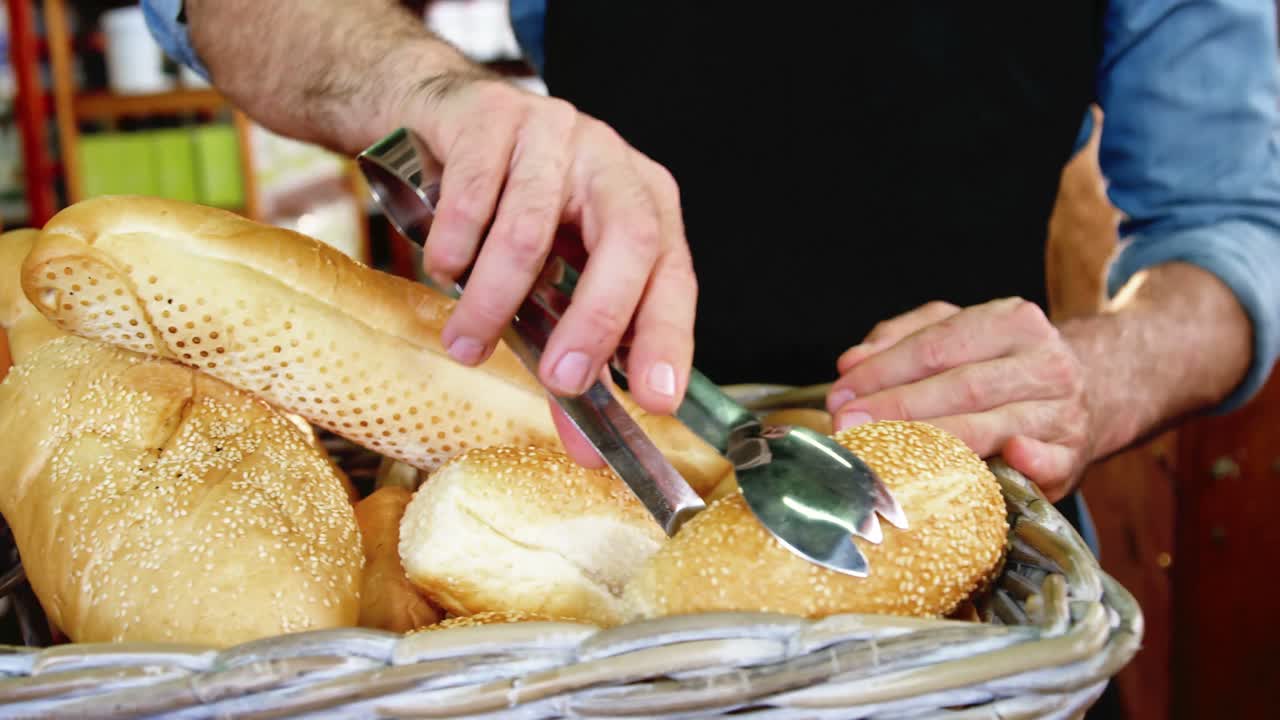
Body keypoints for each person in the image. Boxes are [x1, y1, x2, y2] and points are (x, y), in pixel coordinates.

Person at [141, 1, 1279, 537]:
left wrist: (1100, 371)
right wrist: (432, 93)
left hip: (951, 532)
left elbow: (1228, 229)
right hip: (599, 484)